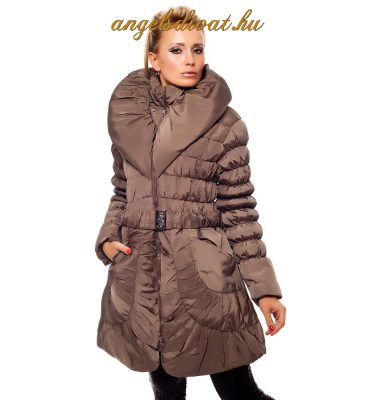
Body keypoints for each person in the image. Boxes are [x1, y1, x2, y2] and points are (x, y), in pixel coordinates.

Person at [95, 6, 286, 400]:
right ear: (154, 59)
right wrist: (109, 237)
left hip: (204, 274)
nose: (190, 60)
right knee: (165, 388)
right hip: (142, 272)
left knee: (238, 390)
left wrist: (264, 288)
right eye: (177, 50)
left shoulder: (225, 123)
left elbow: (239, 210)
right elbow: (122, 191)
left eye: (197, 49)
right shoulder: (128, 120)